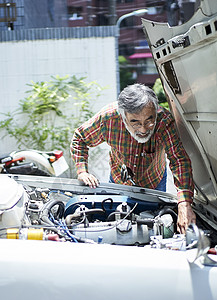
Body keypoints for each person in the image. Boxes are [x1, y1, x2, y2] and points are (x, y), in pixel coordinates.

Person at [71, 83, 196, 233]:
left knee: (156, 227)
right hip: (118, 182)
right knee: (115, 226)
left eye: (149, 121)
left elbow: (179, 160)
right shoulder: (108, 118)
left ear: (155, 111)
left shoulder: (164, 121)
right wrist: (82, 171)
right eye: (135, 122)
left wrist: (184, 203)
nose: (143, 129)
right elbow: (80, 138)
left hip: (154, 183)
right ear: (123, 116)